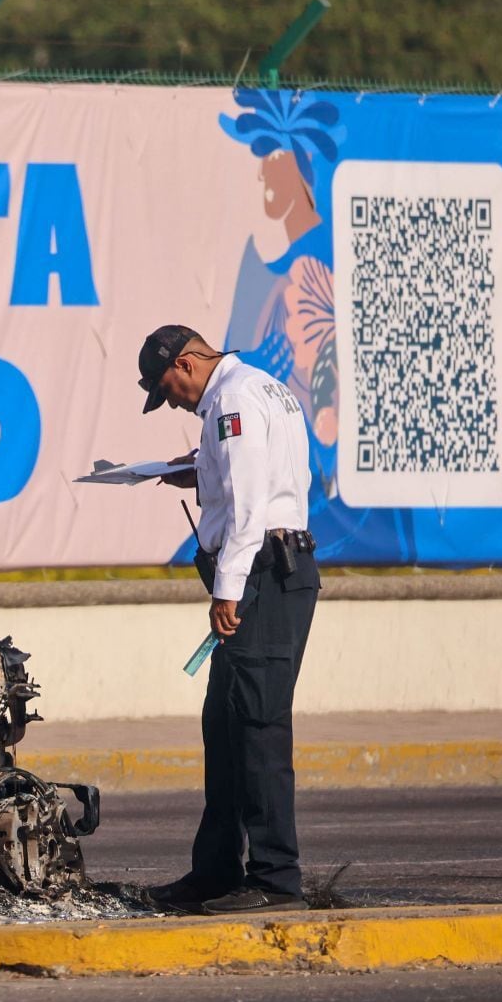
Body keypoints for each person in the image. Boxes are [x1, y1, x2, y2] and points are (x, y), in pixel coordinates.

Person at [136, 323, 320, 915]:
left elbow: (248, 505)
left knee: (260, 728)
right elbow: (257, 472)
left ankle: (275, 879)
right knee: (224, 724)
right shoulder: (259, 388)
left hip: (263, 575)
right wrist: (197, 468)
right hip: (265, 571)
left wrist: (227, 590)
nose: (178, 403)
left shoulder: (233, 399)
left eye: (172, 389)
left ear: (188, 362)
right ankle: (215, 872)